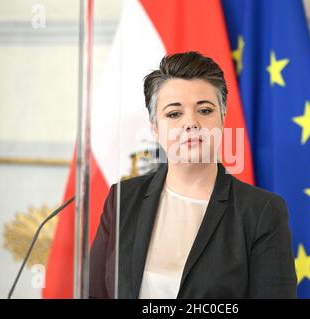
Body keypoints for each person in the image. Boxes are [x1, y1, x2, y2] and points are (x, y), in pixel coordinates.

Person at [89, 51, 297, 299]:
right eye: (174, 114)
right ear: (155, 128)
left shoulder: (261, 211)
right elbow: (94, 294)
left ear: (222, 119)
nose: (191, 123)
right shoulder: (122, 199)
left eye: (205, 110)